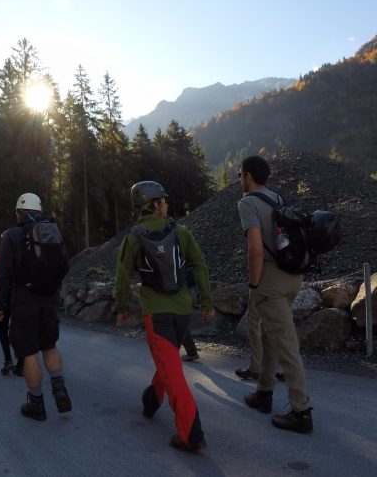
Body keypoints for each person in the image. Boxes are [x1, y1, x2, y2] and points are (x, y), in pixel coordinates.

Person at [115, 181, 215, 452]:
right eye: (165, 201)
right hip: (182, 311)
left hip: (155, 314)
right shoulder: (180, 232)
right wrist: (206, 302)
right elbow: (200, 266)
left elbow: (123, 276)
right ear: (156, 204)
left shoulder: (133, 238)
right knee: (169, 360)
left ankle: (190, 434)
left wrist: (121, 308)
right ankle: (151, 400)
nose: (167, 205)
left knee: (174, 373)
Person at [237, 156, 313, 433]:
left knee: (285, 343)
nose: (239, 180)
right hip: (293, 276)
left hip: (270, 281)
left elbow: (255, 249)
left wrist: (255, 285)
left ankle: (301, 411)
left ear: (247, 176)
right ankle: (264, 392)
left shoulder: (247, 202)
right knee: (271, 336)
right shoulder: (278, 199)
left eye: (240, 175)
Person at [0, 193, 71, 421]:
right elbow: (64, 266)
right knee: (50, 345)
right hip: (50, 298)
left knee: (28, 352)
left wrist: (0, 306)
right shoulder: (52, 232)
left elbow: (4, 274)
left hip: (24, 299)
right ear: (38, 211)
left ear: (18, 213)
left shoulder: (10, 236)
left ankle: (37, 404)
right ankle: (60, 390)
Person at [0, 244, 23, 376]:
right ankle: (21, 363)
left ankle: (8, 360)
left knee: (3, 328)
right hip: (20, 297)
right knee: (19, 329)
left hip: (3, 297)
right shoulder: (21, 253)